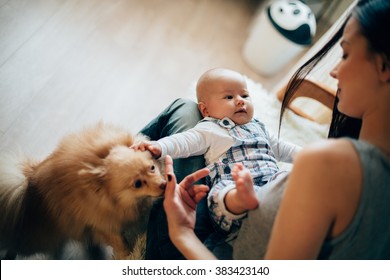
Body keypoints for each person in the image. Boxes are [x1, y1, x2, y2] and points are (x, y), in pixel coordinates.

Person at [163, 0, 390, 259]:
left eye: (346, 54)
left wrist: (181, 234)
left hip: (216, 243)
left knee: (182, 109)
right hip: (233, 197)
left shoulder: (330, 165)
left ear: (383, 66)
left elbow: (280, 148)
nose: (335, 71)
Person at [133, 68, 300, 241]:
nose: (240, 102)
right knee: (221, 193)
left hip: (270, 183)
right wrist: (159, 146)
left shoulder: (259, 126)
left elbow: (281, 148)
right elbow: (184, 141)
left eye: (244, 96)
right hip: (233, 187)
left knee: (286, 176)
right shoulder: (210, 128)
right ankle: (241, 198)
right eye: (229, 97)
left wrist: (305, 156)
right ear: (205, 110)